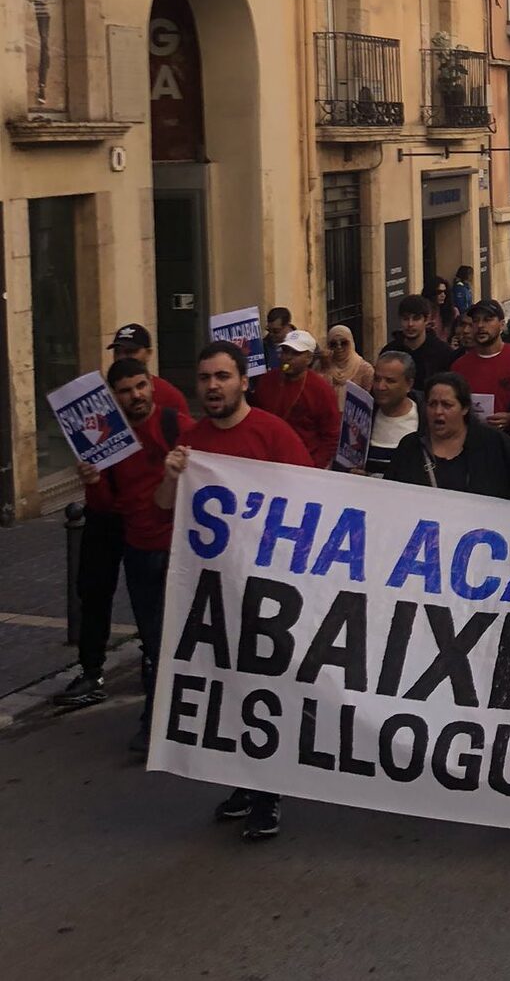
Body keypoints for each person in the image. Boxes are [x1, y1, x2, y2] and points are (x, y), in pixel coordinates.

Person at [156, 340, 314, 842]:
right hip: (213, 593)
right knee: (227, 691)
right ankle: (243, 783)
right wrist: (170, 476)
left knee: (265, 690)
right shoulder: (192, 443)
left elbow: (311, 505)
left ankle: (269, 794)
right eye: (205, 378)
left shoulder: (273, 434)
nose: (212, 386)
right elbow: (165, 506)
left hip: (267, 593)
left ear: (244, 381)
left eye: (222, 376)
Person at [53, 360, 192, 754]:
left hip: (183, 550)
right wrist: (93, 483)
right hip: (140, 553)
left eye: (141, 386)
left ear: (152, 384)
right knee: (152, 643)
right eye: (127, 390)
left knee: (188, 637)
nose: (136, 395)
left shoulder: (175, 425)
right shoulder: (106, 444)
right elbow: (108, 505)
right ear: (114, 398)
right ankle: (155, 724)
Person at [385, 372, 510, 498]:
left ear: (464, 408)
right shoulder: (410, 446)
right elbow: (390, 493)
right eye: (432, 404)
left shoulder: (496, 445)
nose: (438, 411)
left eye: (447, 405)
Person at [449, 299, 510, 438]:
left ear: (502, 325)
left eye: (488, 320)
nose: (481, 325)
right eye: (476, 320)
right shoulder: (459, 366)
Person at [250, 329, 341, 468]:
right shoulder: (266, 380)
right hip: (267, 462)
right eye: (285, 351)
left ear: (309, 358)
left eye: (296, 353)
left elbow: (331, 435)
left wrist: (314, 466)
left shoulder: (321, 389)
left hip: (303, 465)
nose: (288, 357)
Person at [105, 324, 190, 417]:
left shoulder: (169, 397)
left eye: (130, 351)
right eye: (117, 352)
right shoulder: (101, 394)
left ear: (148, 353)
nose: (122, 357)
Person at [361, 351, 422, 478]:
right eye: (377, 379)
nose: (380, 387)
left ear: (409, 384)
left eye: (390, 381)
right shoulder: (364, 414)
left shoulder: (426, 420)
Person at [383, 294, 455, 390]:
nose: (410, 324)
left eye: (416, 318)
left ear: (426, 320)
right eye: (405, 318)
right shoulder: (390, 352)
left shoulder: (443, 353)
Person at [319, 324, 374, 408]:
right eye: (334, 344)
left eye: (344, 343)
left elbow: (367, 402)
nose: (339, 347)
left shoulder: (365, 370)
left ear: (351, 342)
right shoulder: (322, 365)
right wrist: (325, 368)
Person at [264, 306, 293, 372]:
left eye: (276, 331)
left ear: (287, 326)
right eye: (269, 330)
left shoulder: (304, 343)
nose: (271, 334)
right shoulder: (263, 346)